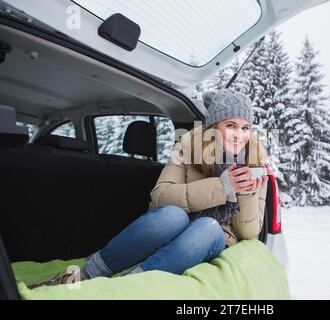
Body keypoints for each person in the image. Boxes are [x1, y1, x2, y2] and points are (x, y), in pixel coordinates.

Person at [27, 89, 269, 289]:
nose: (239, 135)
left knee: (208, 226)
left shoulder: (255, 163)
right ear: (214, 127)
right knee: (171, 215)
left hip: (212, 239)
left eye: (245, 128)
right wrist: (221, 187)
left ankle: (122, 287)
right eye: (231, 125)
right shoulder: (187, 148)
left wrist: (246, 191)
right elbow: (160, 196)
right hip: (171, 228)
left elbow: (249, 232)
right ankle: (86, 274)